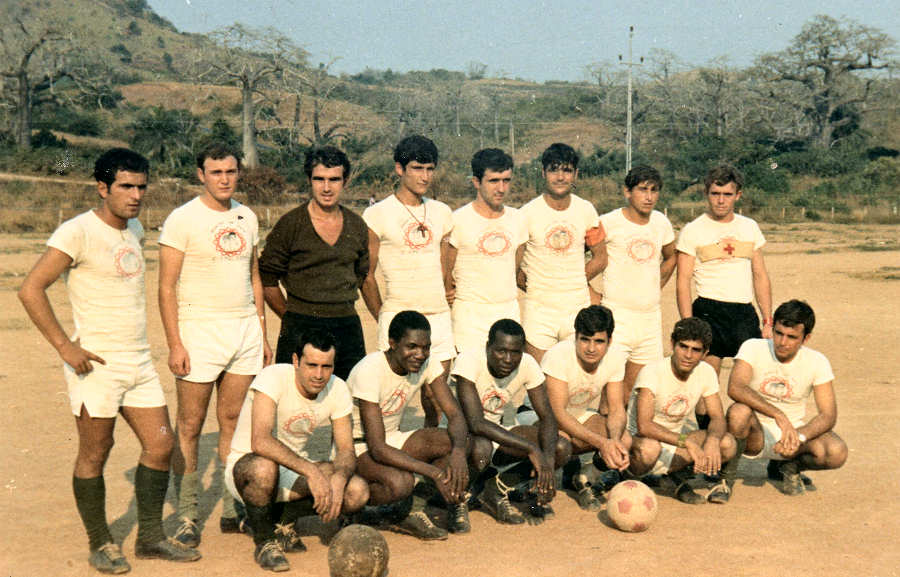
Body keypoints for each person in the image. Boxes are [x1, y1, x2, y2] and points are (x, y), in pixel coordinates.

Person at [18, 148, 200, 573]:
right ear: (103, 188)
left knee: (161, 444)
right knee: (95, 452)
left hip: (139, 362)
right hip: (95, 366)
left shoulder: (134, 228)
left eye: (141, 187)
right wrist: (65, 347)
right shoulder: (76, 231)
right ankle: (100, 542)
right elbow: (30, 289)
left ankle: (150, 537)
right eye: (125, 186)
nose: (136, 195)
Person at [158, 143, 272, 547]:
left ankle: (230, 508)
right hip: (199, 331)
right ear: (201, 174)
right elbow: (166, 286)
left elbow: (254, 277)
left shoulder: (248, 216)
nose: (225, 179)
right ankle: (187, 514)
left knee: (233, 422)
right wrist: (175, 343)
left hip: (243, 330)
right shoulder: (182, 219)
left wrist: (262, 333)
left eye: (231, 171)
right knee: (189, 425)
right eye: (216, 172)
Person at [225, 329, 369, 572]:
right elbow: (260, 441)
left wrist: (340, 477)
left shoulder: (338, 388)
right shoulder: (273, 377)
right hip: (248, 470)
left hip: (291, 470)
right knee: (264, 468)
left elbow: (346, 449)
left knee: (357, 491)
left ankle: (281, 519)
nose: (319, 375)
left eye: (326, 366)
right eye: (312, 365)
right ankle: (265, 542)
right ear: (295, 360)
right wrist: (311, 471)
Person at [348, 311, 470, 539]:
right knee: (400, 483)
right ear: (392, 343)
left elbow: (455, 414)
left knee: (455, 440)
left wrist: (459, 452)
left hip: (392, 438)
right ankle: (360, 509)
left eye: (426, 347)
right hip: (358, 447)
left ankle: (412, 509)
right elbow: (377, 447)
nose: (420, 355)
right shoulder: (369, 369)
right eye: (412, 347)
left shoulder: (427, 363)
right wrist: (433, 472)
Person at [361, 135, 454, 427]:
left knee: (436, 400)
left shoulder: (442, 212)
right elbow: (366, 276)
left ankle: (434, 452)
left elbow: (445, 269)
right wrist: (384, 317)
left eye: (429, 169)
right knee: (390, 400)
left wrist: (448, 292)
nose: (424, 176)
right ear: (399, 169)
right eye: (417, 168)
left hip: (438, 318)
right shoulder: (377, 214)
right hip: (397, 317)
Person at [259, 146, 369, 380]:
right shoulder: (291, 224)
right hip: (300, 327)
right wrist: (291, 315)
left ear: (345, 181)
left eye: (334, 179)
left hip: (346, 327)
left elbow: (361, 275)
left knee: (348, 394)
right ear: (309, 180)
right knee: (294, 396)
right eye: (319, 179)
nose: (326, 188)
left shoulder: (357, 225)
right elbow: (267, 279)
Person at [675, 165, 772, 426]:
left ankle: (740, 436)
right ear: (706, 193)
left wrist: (767, 320)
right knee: (707, 382)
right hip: (708, 311)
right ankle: (709, 438)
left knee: (749, 383)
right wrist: (688, 323)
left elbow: (760, 275)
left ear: (738, 195)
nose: (721, 200)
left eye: (727, 194)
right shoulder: (693, 230)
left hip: (743, 312)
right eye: (715, 193)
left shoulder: (749, 227)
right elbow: (683, 280)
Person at [723, 300, 847, 496]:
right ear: (772, 328)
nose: (782, 342)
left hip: (791, 436)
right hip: (754, 433)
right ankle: (725, 480)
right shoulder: (753, 347)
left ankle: (789, 467)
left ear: (806, 338)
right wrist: (778, 415)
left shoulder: (817, 361)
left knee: (836, 451)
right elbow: (735, 387)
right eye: (779, 333)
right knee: (738, 412)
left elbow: (828, 415)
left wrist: (799, 436)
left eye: (792, 337)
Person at [453, 319, 570, 524]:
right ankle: (460, 497)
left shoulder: (528, 363)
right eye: (501, 351)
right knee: (481, 448)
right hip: (461, 435)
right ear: (488, 347)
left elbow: (547, 416)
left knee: (560, 446)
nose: (508, 359)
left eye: (515, 352)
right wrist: (531, 449)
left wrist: (548, 463)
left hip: (495, 431)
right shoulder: (469, 360)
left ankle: (497, 488)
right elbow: (476, 423)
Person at [519, 305, 629, 511]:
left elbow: (616, 409)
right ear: (575, 336)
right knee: (560, 444)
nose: (591, 348)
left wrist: (613, 441)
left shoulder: (616, 357)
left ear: (610, 340)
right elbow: (557, 414)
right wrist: (602, 443)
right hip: (538, 417)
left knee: (624, 439)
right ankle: (521, 481)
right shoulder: (558, 355)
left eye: (599, 341)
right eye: (585, 339)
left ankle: (585, 477)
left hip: (577, 416)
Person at [627, 317, 737, 504]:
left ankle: (673, 476)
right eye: (683, 347)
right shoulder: (652, 372)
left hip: (673, 443)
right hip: (640, 444)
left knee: (727, 443)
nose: (688, 355)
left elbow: (718, 417)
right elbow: (645, 426)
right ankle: (626, 476)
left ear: (705, 353)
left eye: (696, 350)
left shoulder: (706, 372)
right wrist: (686, 442)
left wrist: (712, 440)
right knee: (650, 449)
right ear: (672, 344)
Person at [517, 143, 605, 363]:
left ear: (575, 174)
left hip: (576, 307)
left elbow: (601, 258)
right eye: (553, 170)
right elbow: (513, 267)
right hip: (539, 311)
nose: (560, 177)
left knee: (573, 375)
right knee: (539, 376)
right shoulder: (526, 214)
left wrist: (574, 281)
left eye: (566, 170)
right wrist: (538, 285)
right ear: (543, 173)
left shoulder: (586, 210)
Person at [598, 165, 676, 400]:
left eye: (654, 190)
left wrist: (655, 285)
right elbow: (576, 257)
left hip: (650, 319)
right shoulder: (608, 222)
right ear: (627, 191)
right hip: (617, 317)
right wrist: (592, 296)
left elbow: (672, 256)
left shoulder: (661, 222)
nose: (649, 197)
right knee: (611, 393)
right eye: (643, 189)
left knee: (641, 391)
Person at [443, 149, 527, 354]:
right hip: (470, 318)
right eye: (493, 181)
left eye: (506, 180)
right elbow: (445, 269)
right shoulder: (458, 220)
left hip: (507, 312)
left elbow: (515, 267)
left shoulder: (517, 219)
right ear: (476, 182)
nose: (501, 188)